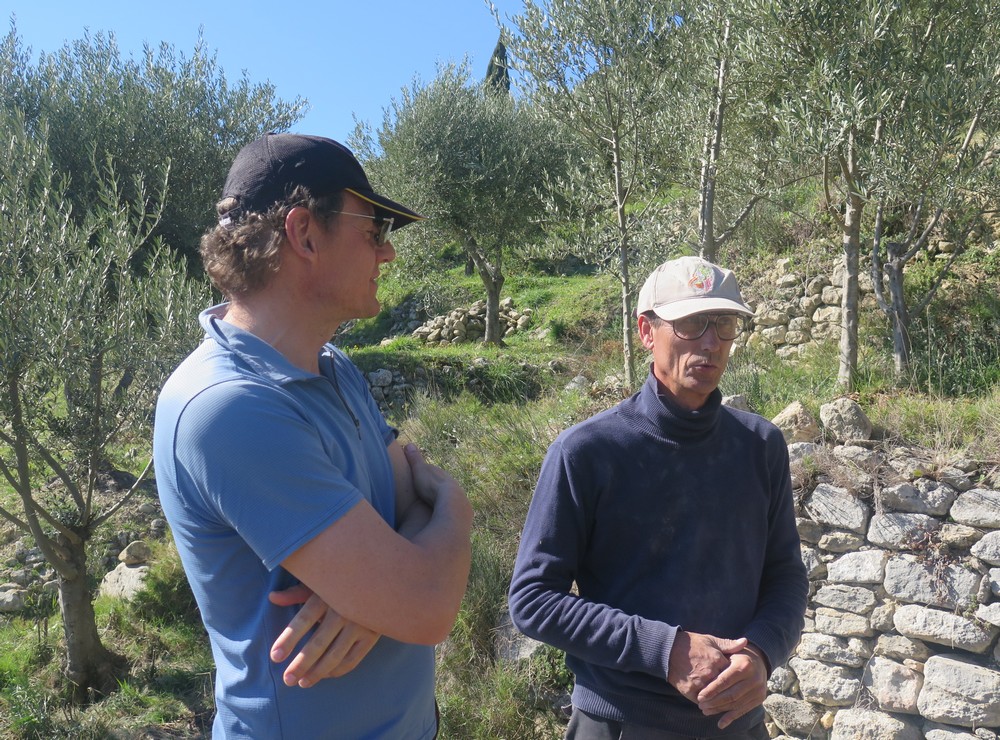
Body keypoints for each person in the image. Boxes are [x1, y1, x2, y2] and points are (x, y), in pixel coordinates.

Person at [153, 133, 473, 738]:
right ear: (304, 234)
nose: (389, 255)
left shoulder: (333, 365)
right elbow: (430, 602)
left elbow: (406, 505)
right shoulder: (227, 408)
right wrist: (455, 509)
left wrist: (372, 597)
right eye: (374, 230)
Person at [508, 256, 808, 739]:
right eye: (691, 324)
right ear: (647, 331)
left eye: (725, 324)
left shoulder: (760, 446)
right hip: (622, 724)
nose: (710, 342)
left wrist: (762, 652)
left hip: (736, 725)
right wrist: (666, 650)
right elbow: (533, 600)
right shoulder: (586, 452)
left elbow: (786, 575)